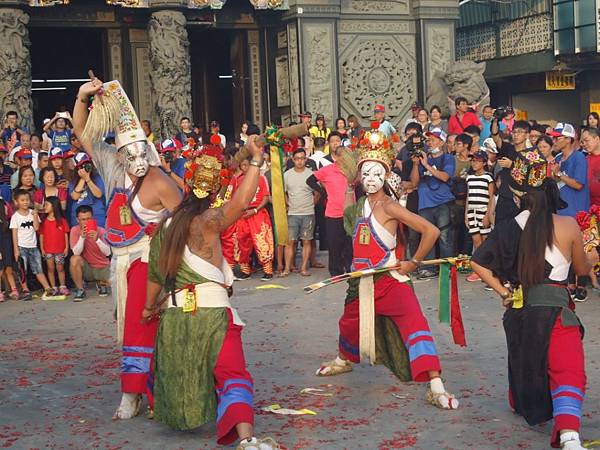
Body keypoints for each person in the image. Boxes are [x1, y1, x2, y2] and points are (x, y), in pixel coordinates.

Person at [142, 134, 279, 450]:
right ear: (215, 191)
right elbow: (242, 202)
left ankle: (156, 405)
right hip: (214, 314)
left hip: (176, 315)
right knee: (232, 373)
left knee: (171, 362)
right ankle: (246, 439)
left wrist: (148, 308)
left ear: (186, 185)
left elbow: (155, 276)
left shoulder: (165, 227)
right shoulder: (209, 220)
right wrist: (256, 162)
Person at [316, 124, 460, 411]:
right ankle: (344, 359)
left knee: (416, 327)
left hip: (391, 280)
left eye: (376, 174)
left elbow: (430, 231)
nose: (371, 179)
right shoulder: (358, 205)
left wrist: (414, 261)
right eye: (365, 174)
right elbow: (347, 226)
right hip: (361, 282)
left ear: (386, 176)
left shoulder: (390, 206)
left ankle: (436, 384)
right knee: (348, 323)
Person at [471, 150, 595, 450]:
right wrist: (592, 254)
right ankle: (568, 434)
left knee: (526, 364)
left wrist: (503, 292)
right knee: (567, 370)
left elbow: (478, 262)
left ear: (517, 198)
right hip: (556, 311)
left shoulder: (507, 229)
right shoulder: (567, 226)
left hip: (522, 309)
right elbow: (581, 270)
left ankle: (524, 402)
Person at [73, 77, 182, 420]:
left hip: (149, 261)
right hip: (119, 261)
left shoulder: (160, 181)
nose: (135, 159)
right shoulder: (110, 165)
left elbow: (185, 224)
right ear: (118, 154)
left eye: (140, 152)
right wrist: (81, 97)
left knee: (144, 324)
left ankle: (138, 391)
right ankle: (141, 390)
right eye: (128, 153)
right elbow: (82, 133)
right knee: (128, 325)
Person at [410, 128, 456, 278]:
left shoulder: (448, 158)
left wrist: (427, 165)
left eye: (433, 140)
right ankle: (428, 268)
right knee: (427, 236)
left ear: (442, 142)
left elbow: (444, 177)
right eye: (428, 140)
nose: (429, 143)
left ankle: (447, 268)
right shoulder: (423, 158)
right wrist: (417, 165)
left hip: (442, 202)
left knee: (444, 235)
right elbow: (414, 183)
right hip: (424, 203)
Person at [307, 139, 353, 276]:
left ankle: (349, 267)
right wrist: (322, 191)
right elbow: (310, 180)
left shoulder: (350, 171)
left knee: (348, 243)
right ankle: (335, 271)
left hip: (349, 213)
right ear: (336, 157)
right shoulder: (327, 170)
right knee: (334, 244)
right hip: (333, 213)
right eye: (343, 156)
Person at [231, 154, 274, 280]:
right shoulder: (238, 180)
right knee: (241, 241)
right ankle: (245, 270)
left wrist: (255, 210)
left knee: (263, 241)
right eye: (242, 165)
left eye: (247, 165)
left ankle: (268, 270)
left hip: (258, 214)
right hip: (242, 215)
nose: (245, 168)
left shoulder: (261, 178)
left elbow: (266, 197)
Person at [10, 189, 52, 300]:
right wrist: (16, 249)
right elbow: (14, 234)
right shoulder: (15, 217)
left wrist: (34, 216)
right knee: (23, 271)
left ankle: (47, 288)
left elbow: (37, 228)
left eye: (27, 200)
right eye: (22, 200)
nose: (25, 202)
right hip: (21, 247)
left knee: (38, 268)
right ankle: (25, 290)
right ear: (16, 202)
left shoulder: (32, 213)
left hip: (33, 247)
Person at [283, 148, 316, 277]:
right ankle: (287, 268)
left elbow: (317, 192)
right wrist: (287, 204)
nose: (300, 161)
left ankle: (303, 268)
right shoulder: (287, 175)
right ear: (293, 160)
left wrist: (312, 203)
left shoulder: (311, 174)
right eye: (297, 159)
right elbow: (283, 193)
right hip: (292, 213)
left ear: (306, 159)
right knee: (290, 241)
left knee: (307, 241)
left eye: (302, 158)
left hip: (308, 212)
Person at [491, 119, 532, 223]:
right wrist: (495, 121)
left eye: (519, 132)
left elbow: (530, 174)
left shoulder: (531, 154)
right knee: (501, 230)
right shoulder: (508, 148)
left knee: (520, 233)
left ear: (527, 135)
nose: (516, 135)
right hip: (505, 195)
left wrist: (512, 165)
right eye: (514, 132)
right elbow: (496, 137)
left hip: (522, 198)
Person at [70, 205, 111, 301]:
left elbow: (108, 253)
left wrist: (97, 240)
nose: (86, 222)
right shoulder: (75, 230)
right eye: (83, 219)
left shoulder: (101, 230)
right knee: (74, 259)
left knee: (116, 283)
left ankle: (101, 283)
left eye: (88, 219)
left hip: (103, 267)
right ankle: (80, 289)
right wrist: (82, 237)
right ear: (77, 220)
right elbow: (76, 252)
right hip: (87, 267)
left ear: (93, 218)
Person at [464, 150, 494, 282]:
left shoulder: (488, 177)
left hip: (483, 211)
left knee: (485, 241)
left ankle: (488, 268)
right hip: (472, 212)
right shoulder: (469, 178)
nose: (474, 163)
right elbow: (468, 196)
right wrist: (466, 214)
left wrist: (488, 215)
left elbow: (491, 197)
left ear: (484, 162)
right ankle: (478, 270)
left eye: (477, 160)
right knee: (476, 242)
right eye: (472, 160)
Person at [550, 123, 590, 218]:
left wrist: (558, 174)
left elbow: (578, 185)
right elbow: (556, 182)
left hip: (577, 211)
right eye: (553, 138)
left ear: (568, 139)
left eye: (558, 138)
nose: (554, 141)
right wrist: (554, 175)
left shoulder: (579, 157)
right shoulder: (558, 157)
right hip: (560, 210)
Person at [39, 196, 70, 296]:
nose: (45, 207)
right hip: (48, 250)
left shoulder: (62, 221)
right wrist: (42, 248)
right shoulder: (43, 221)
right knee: (50, 269)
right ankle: (53, 287)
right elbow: (41, 236)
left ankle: (62, 286)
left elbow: (66, 234)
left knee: (60, 268)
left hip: (60, 250)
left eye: (47, 204)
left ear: (54, 206)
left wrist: (66, 247)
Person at [68, 152, 106, 228]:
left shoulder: (98, 177)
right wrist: (83, 178)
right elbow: (75, 196)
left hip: (96, 214)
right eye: (82, 165)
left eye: (87, 163)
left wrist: (88, 179)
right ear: (77, 168)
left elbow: (98, 194)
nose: (85, 167)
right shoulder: (73, 180)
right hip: (79, 215)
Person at [452, 133, 473, 256]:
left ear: (466, 145)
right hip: (454, 201)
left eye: (458, 144)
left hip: (470, 201)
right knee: (454, 232)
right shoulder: (452, 159)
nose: (455, 146)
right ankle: (455, 257)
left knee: (468, 232)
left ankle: (466, 257)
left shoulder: (474, 161)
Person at [0, 197, 19, 301]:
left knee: (8, 268)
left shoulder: (6, 223)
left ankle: (13, 289)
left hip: (6, 244)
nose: (6, 209)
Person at [582, 127, 600, 206]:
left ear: (596, 139)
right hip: (589, 209)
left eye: (587, 140)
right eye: (583, 142)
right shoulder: (584, 160)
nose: (584, 144)